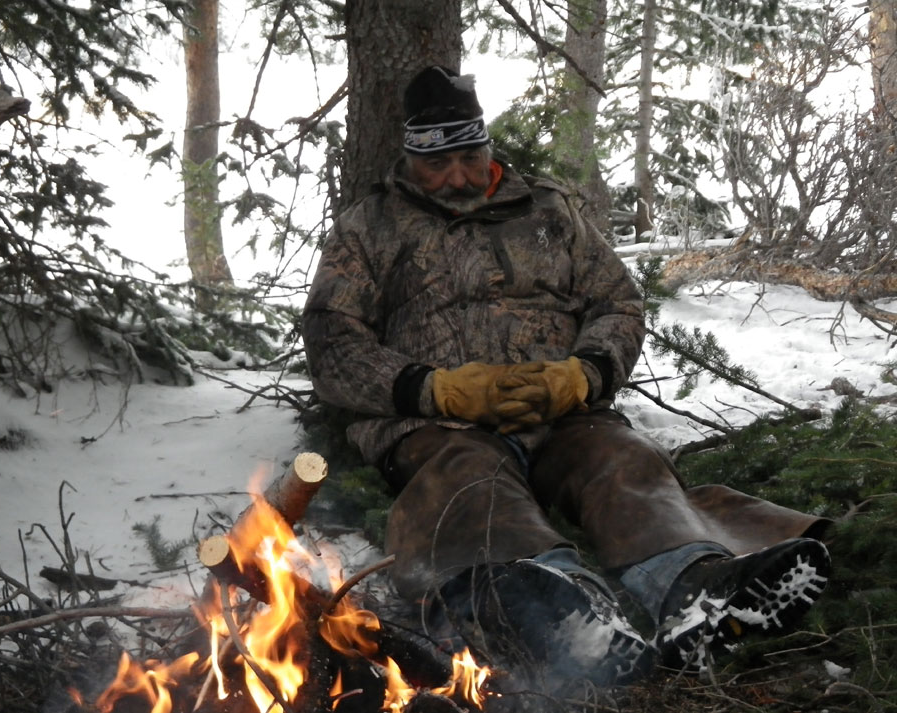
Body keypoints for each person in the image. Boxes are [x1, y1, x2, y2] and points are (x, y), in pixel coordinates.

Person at [301, 65, 831, 693]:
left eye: (470, 157)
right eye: (437, 164)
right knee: (469, 477)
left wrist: (584, 374)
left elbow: (618, 303)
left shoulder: (550, 211)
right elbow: (332, 342)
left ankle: (695, 586)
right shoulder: (370, 227)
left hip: (565, 413)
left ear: (487, 147)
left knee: (623, 458)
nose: (457, 177)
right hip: (439, 423)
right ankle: (562, 606)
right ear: (411, 159)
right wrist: (433, 388)